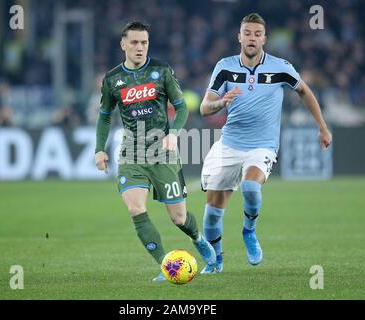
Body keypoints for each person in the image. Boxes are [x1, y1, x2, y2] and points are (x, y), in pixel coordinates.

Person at [199, 13, 332, 273]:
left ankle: (249, 232)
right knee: (213, 212)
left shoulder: (280, 67)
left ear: (264, 39)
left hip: (262, 146)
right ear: (239, 37)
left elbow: (304, 90)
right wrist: (221, 102)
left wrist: (322, 127)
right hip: (229, 145)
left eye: (257, 34)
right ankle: (216, 262)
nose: (252, 38)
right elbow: (205, 107)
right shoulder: (225, 66)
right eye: (247, 33)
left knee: (250, 186)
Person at [94, 21, 215, 281]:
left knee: (179, 217)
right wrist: (99, 150)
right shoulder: (113, 79)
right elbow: (104, 116)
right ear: (123, 44)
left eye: (144, 42)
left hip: (162, 152)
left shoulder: (161, 71)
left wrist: (173, 134)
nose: (140, 47)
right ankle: (166, 264)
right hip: (131, 153)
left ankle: (198, 238)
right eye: (135, 42)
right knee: (135, 209)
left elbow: (182, 108)